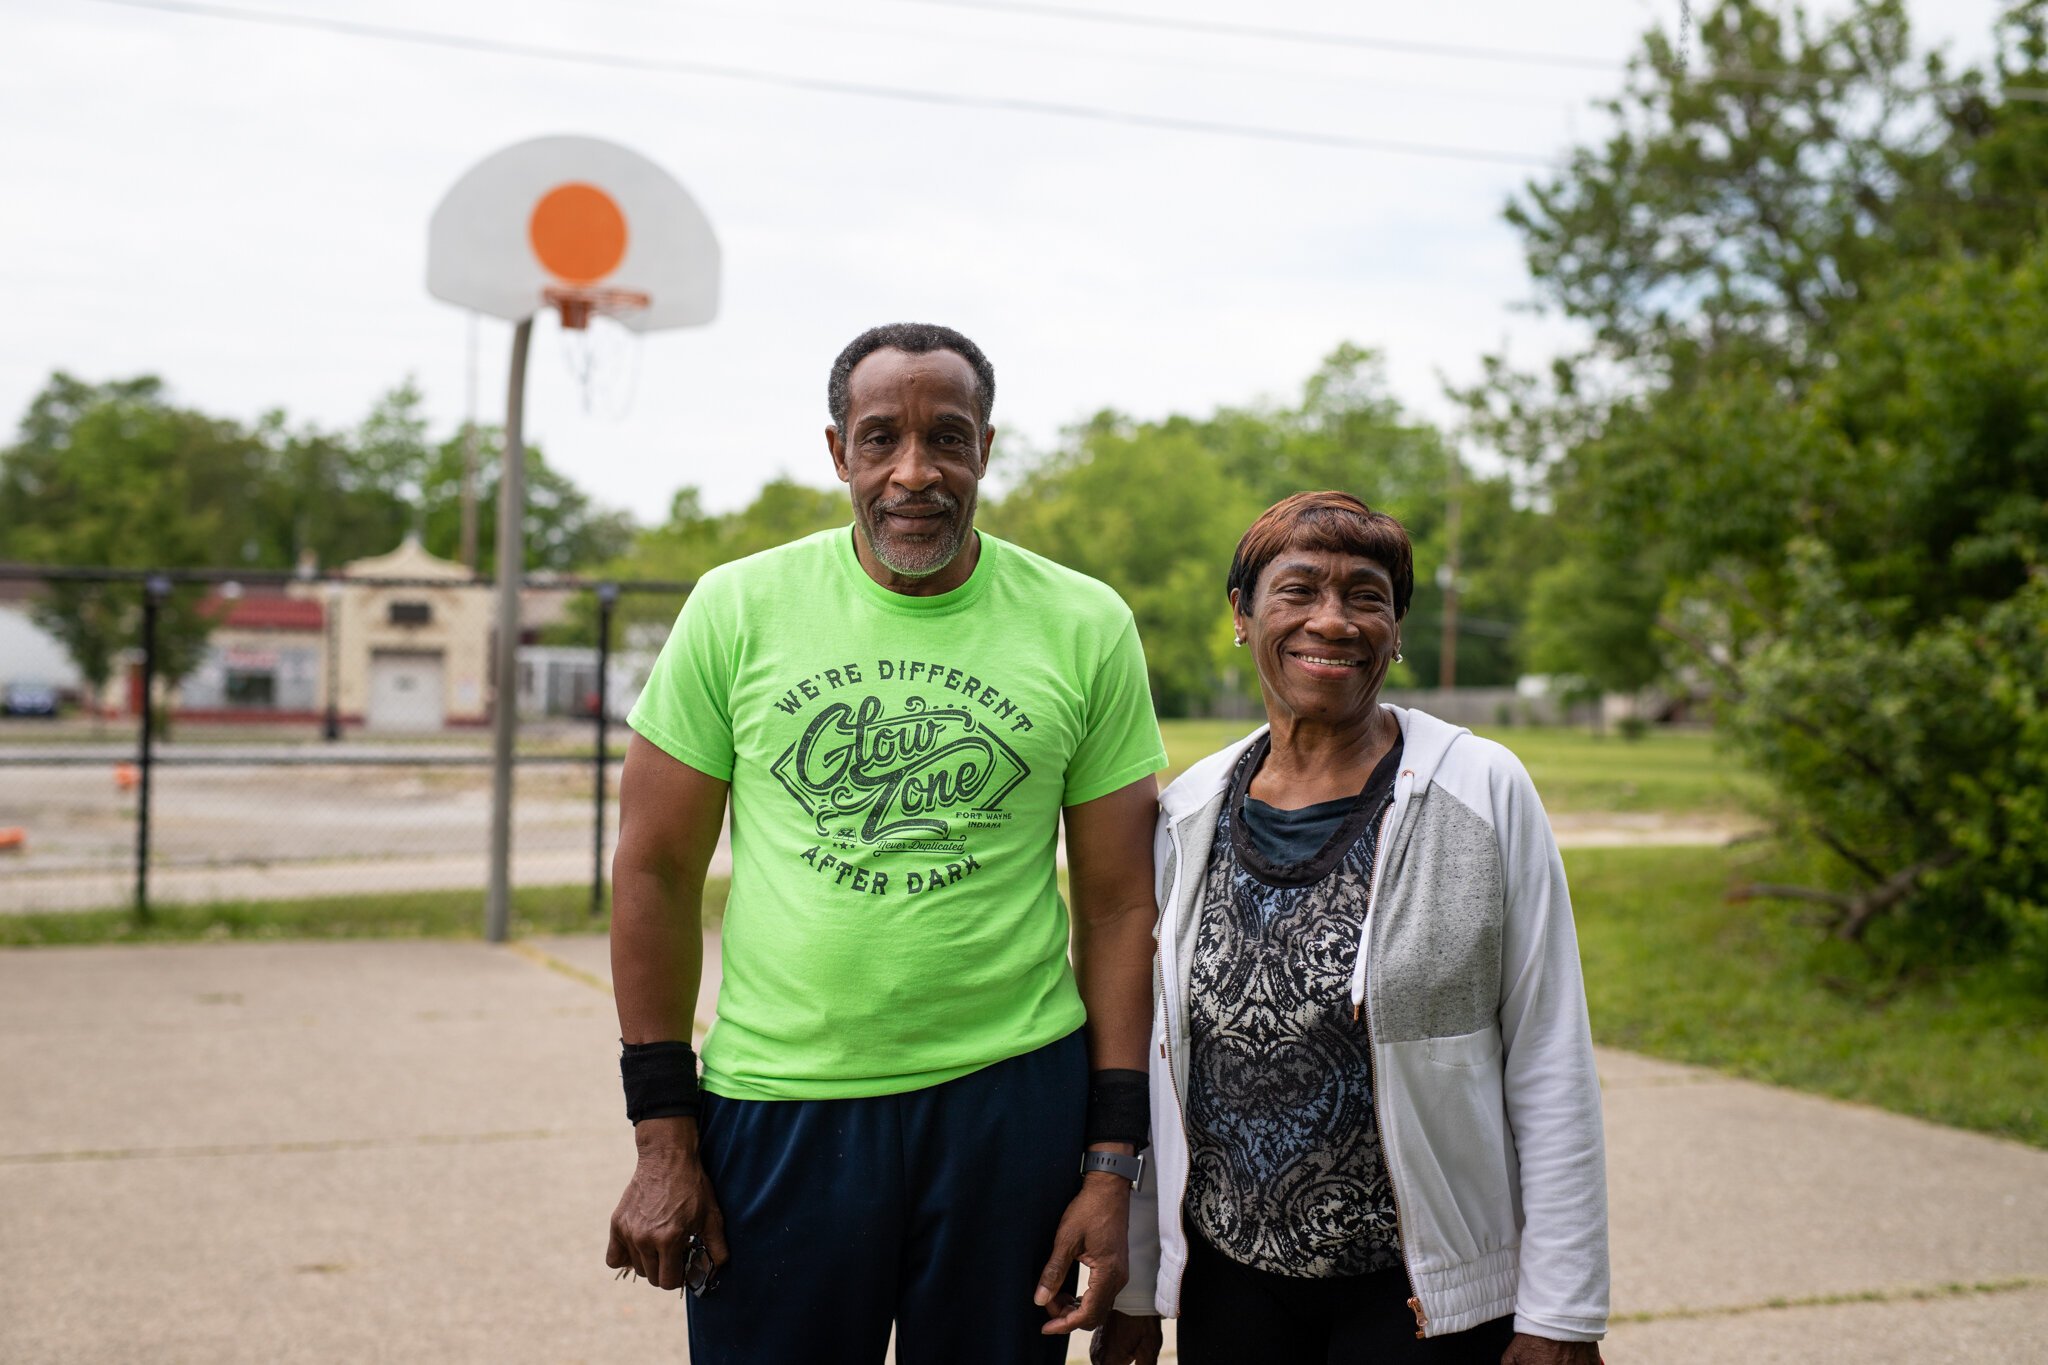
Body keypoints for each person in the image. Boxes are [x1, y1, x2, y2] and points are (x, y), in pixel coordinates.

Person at [604, 322, 1167, 1365]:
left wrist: (1109, 1162)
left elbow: (1118, 904)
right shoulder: (738, 608)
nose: (915, 472)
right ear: (837, 454)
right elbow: (654, 871)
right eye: (881, 440)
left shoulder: (1083, 623)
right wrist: (661, 1134)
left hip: (1009, 1104)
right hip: (782, 1107)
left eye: (946, 438)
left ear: (985, 450)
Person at [1095, 492, 1609, 1365]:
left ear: (1397, 630)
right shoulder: (1188, 811)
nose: (1331, 622)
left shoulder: (1480, 789)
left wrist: (1562, 1311)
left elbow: (1549, 1053)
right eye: (1297, 591)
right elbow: (1164, 1063)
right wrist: (1144, 1285)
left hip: (1418, 1296)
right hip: (1233, 1291)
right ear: (1243, 615)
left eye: (1366, 597)